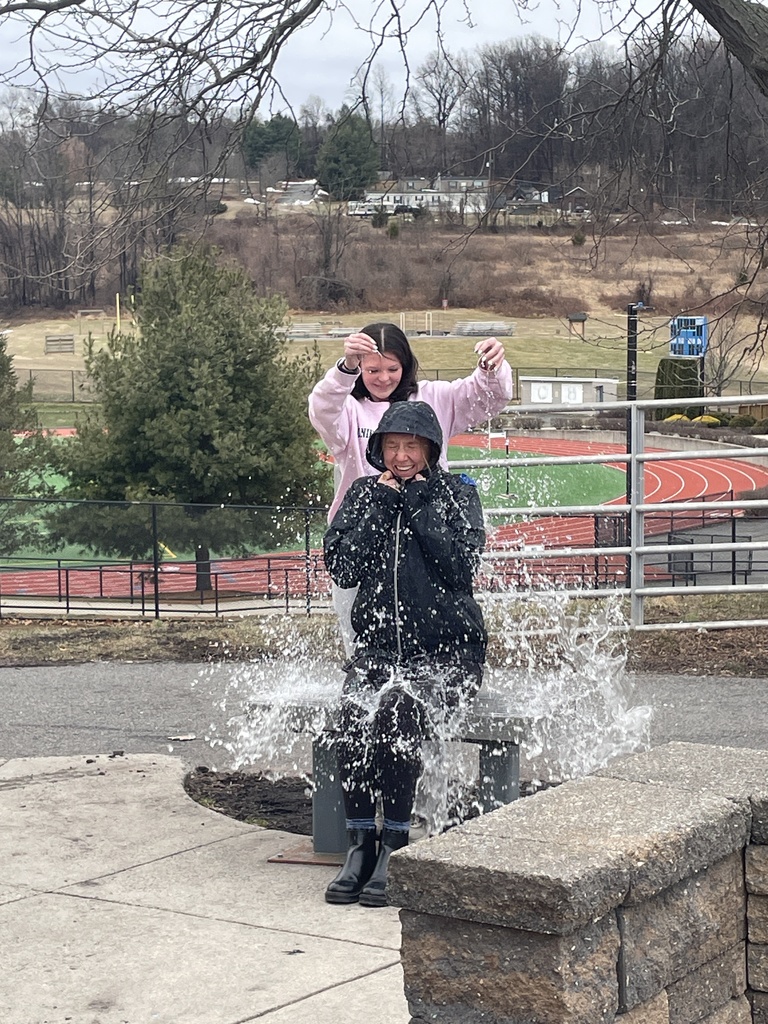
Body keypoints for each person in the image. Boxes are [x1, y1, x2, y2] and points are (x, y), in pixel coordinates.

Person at [322, 401, 487, 907]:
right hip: (378, 652)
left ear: (431, 449)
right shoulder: (364, 494)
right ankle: (360, 843)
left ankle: (395, 839)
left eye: (411, 446)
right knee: (351, 716)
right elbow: (344, 567)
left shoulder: (457, 494)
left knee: (398, 710)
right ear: (379, 449)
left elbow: (460, 568)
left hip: (447, 654)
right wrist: (382, 507)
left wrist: (415, 504)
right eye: (391, 446)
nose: (401, 456)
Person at [308, 321, 511, 653]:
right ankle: (366, 679)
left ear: (406, 366)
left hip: (425, 531)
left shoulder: (432, 397)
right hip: (367, 531)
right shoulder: (349, 408)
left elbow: (485, 397)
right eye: (372, 369)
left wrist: (491, 369)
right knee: (360, 632)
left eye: (393, 368)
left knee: (433, 622)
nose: (384, 378)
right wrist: (344, 370)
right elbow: (322, 410)